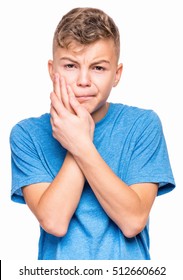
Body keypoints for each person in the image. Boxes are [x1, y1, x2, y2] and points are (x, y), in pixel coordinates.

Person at [10, 7, 175, 260]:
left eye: (98, 68)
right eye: (70, 66)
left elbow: (132, 221)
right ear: (52, 70)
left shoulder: (143, 125)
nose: (83, 80)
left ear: (116, 75)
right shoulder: (26, 134)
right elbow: (54, 221)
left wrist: (79, 142)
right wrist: (77, 136)